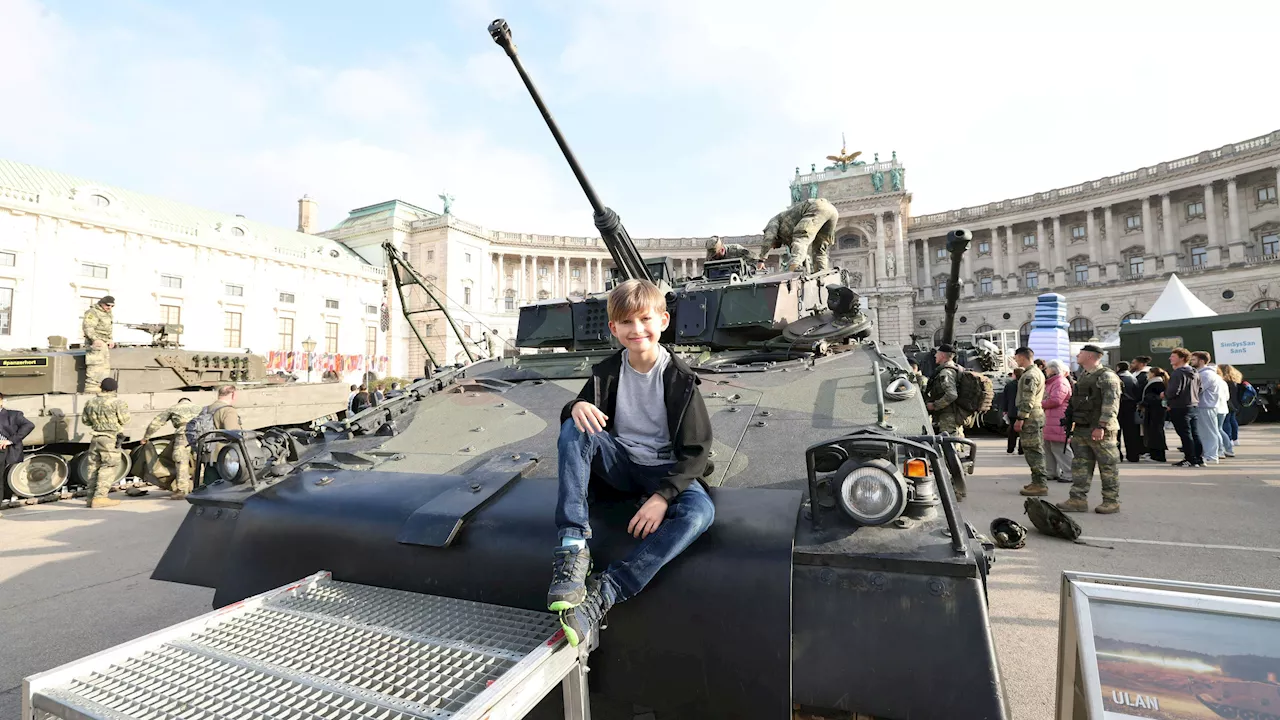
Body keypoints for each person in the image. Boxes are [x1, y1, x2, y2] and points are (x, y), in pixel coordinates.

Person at [549, 278, 715, 649]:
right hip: (621, 465)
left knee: (699, 515)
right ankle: (573, 547)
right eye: (626, 322)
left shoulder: (680, 378)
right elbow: (576, 415)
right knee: (574, 429)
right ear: (613, 328)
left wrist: (663, 497)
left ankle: (607, 591)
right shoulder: (606, 372)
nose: (636, 329)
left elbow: (697, 451)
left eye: (644, 319)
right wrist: (575, 406)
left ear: (663, 321)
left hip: (667, 472)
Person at [1057, 344, 1121, 514]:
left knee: (1108, 467)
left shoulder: (1106, 377)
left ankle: (1111, 501)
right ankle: (1078, 499)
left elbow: (1111, 404)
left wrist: (1102, 426)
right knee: (1080, 465)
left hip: (1100, 429)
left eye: (1081, 353)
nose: (1078, 355)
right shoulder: (1084, 376)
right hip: (1082, 428)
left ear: (1091, 356)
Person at [756, 197, 840, 273]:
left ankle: (794, 269)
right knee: (819, 249)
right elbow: (800, 252)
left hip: (816, 207)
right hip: (833, 211)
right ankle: (821, 273)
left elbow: (768, 238)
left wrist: (761, 260)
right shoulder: (785, 236)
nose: (773, 247)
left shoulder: (773, 222)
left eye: (772, 246)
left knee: (801, 236)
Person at [81, 377, 130, 508]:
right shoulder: (117, 402)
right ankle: (100, 497)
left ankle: (90, 497)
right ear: (114, 388)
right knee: (108, 466)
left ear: (101, 387)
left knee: (93, 467)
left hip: (95, 437)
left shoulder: (90, 402)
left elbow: (85, 421)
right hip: (110, 438)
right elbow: (125, 419)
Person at [140, 397, 201, 499]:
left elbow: (156, 423)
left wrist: (146, 437)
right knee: (199, 461)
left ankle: (182, 490)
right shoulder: (199, 408)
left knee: (181, 462)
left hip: (182, 436)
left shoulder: (174, 408)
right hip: (198, 435)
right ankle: (201, 487)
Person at [1012, 347, 1050, 497]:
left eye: (1016, 358)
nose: (1015, 360)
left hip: (1031, 416)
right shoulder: (1036, 372)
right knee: (1034, 449)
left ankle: (1040, 484)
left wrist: (1021, 417)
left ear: (1021, 357)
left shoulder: (1030, 375)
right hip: (1035, 414)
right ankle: (1037, 481)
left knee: (1033, 451)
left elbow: (1028, 398)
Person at [1165, 347, 1203, 468]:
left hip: (1179, 407)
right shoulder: (1195, 372)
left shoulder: (1178, 373)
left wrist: (1165, 395)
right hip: (1193, 405)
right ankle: (1198, 458)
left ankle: (1189, 458)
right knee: (1194, 433)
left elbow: (1173, 391)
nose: (1170, 358)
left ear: (1181, 358)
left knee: (1185, 434)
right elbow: (1200, 388)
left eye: (1173, 356)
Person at [1041, 359, 1075, 483]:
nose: (1045, 371)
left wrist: (1039, 404)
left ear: (1052, 369)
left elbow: (1056, 400)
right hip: (1051, 419)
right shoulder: (1053, 382)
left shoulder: (1060, 382)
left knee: (1060, 447)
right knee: (1049, 447)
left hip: (1058, 419)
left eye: (1047, 368)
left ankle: (1069, 473)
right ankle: (1051, 471)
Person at [0, 392, 35, 509]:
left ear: (1, 401)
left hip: (2, 450)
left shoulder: (13, 415)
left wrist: (10, 440)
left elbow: (29, 425)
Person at [1190, 351, 1226, 464]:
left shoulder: (1206, 374)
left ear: (1201, 361)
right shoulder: (1202, 373)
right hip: (1204, 406)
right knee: (1205, 432)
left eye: (1194, 360)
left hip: (1206, 406)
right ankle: (1209, 454)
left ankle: (1211, 455)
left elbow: (1198, 390)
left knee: (1209, 432)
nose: (1191, 361)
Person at [924, 344, 965, 439]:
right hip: (953, 414)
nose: (935, 356)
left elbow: (951, 395)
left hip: (949, 416)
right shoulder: (956, 368)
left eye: (937, 354)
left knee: (949, 443)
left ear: (942, 355)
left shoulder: (946, 372)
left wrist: (935, 405)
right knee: (955, 441)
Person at [82, 295, 116, 389]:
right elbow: (88, 327)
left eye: (112, 306)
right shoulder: (93, 312)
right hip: (96, 343)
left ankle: (102, 387)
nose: (109, 308)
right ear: (101, 303)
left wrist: (110, 339)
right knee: (95, 366)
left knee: (104, 367)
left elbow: (108, 328)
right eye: (107, 305)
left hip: (104, 343)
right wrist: (95, 339)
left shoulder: (108, 313)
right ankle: (92, 388)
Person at [1115, 361, 1142, 463]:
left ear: (1118, 368)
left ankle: (1117, 455)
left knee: (1116, 432)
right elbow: (1138, 393)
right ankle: (1133, 456)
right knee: (1131, 433)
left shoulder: (1116, 378)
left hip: (1118, 406)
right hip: (1131, 406)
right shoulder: (1133, 378)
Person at [1140, 367, 1169, 463]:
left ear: (1153, 373)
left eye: (1149, 373)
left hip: (1155, 410)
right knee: (1154, 432)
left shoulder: (1156, 383)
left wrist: (1145, 402)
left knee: (1155, 432)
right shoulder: (1157, 382)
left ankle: (1158, 456)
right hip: (1155, 410)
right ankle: (1154, 453)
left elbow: (1154, 397)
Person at [1220, 364, 1244, 448]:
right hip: (1235, 403)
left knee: (1226, 421)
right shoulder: (1235, 381)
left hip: (1228, 403)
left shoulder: (1225, 382)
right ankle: (1235, 439)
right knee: (1233, 421)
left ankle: (1229, 439)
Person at [1001, 369, 1022, 455]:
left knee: (1012, 431)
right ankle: (1021, 450)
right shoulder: (1023, 384)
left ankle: (1010, 449)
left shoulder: (1009, 385)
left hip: (1012, 410)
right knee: (1022, 432)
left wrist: (1005, 410)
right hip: (1021, 410)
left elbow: (1005, 398)